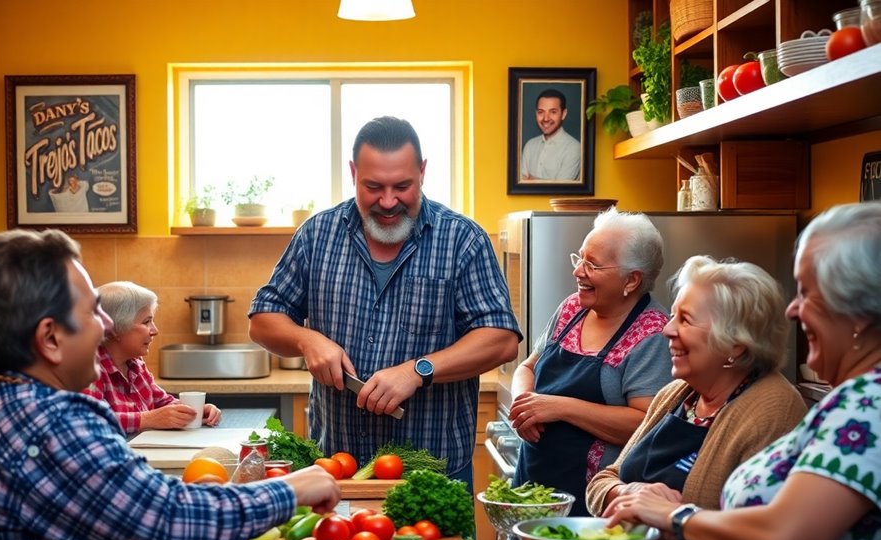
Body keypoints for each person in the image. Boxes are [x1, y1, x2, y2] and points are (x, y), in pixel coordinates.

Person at [0, 229, 340, 540]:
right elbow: (170, 526)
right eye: (94, 311)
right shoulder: (51, 424)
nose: (106, 325)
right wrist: (290, 488)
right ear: (50, 338)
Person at [606, 202, 881, 540]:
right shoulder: (856, 401)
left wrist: (675, 516)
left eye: (808, 292)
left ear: (859, 313)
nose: (793, 310)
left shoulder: (866, 407)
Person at [249, 116, 521, 487]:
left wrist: (417, 371)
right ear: (353, 173)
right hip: (335, 471)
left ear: (422, 172)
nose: (389, 201)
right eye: (373, 186)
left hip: (432, 478)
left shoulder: (462, 239)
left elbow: (501, 339)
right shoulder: (317, 235)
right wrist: (306, 339)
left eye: (402, 186)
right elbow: (263, 318)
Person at [585, 256, 807, 516]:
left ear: (735, 342)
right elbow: (601, 482)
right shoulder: (676, 394)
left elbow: (755, 530)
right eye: (672, 317)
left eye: (686, 320)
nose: (667, 330)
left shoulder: (774, 410)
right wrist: (628, 492)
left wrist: (670, 516)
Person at [509, 207, 671, 516]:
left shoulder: (653, 335)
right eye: (579, 258)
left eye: (592, 264)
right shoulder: (572, 308)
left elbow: (644, 422)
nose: (578, 271)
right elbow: (527, 366)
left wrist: (558, 407)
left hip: (594, 501)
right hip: (532, 484)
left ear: (632, 280)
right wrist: (524, 405)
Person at [83, 281, 222, 433]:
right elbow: (88, 421)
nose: (154, 330)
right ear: (114, 328)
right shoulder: (86, 369)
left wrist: (195, 412)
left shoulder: (135, 364)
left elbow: (162, 403)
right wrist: (147, 419)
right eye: (146, 322)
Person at [520, 88, 581, 181]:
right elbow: (520, 185)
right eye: (541, 112)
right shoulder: (529, 145)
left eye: (553, 112)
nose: (546, 118)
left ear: (563, 114)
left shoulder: (574, 148)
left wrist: (531, 180)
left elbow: (561, 189)